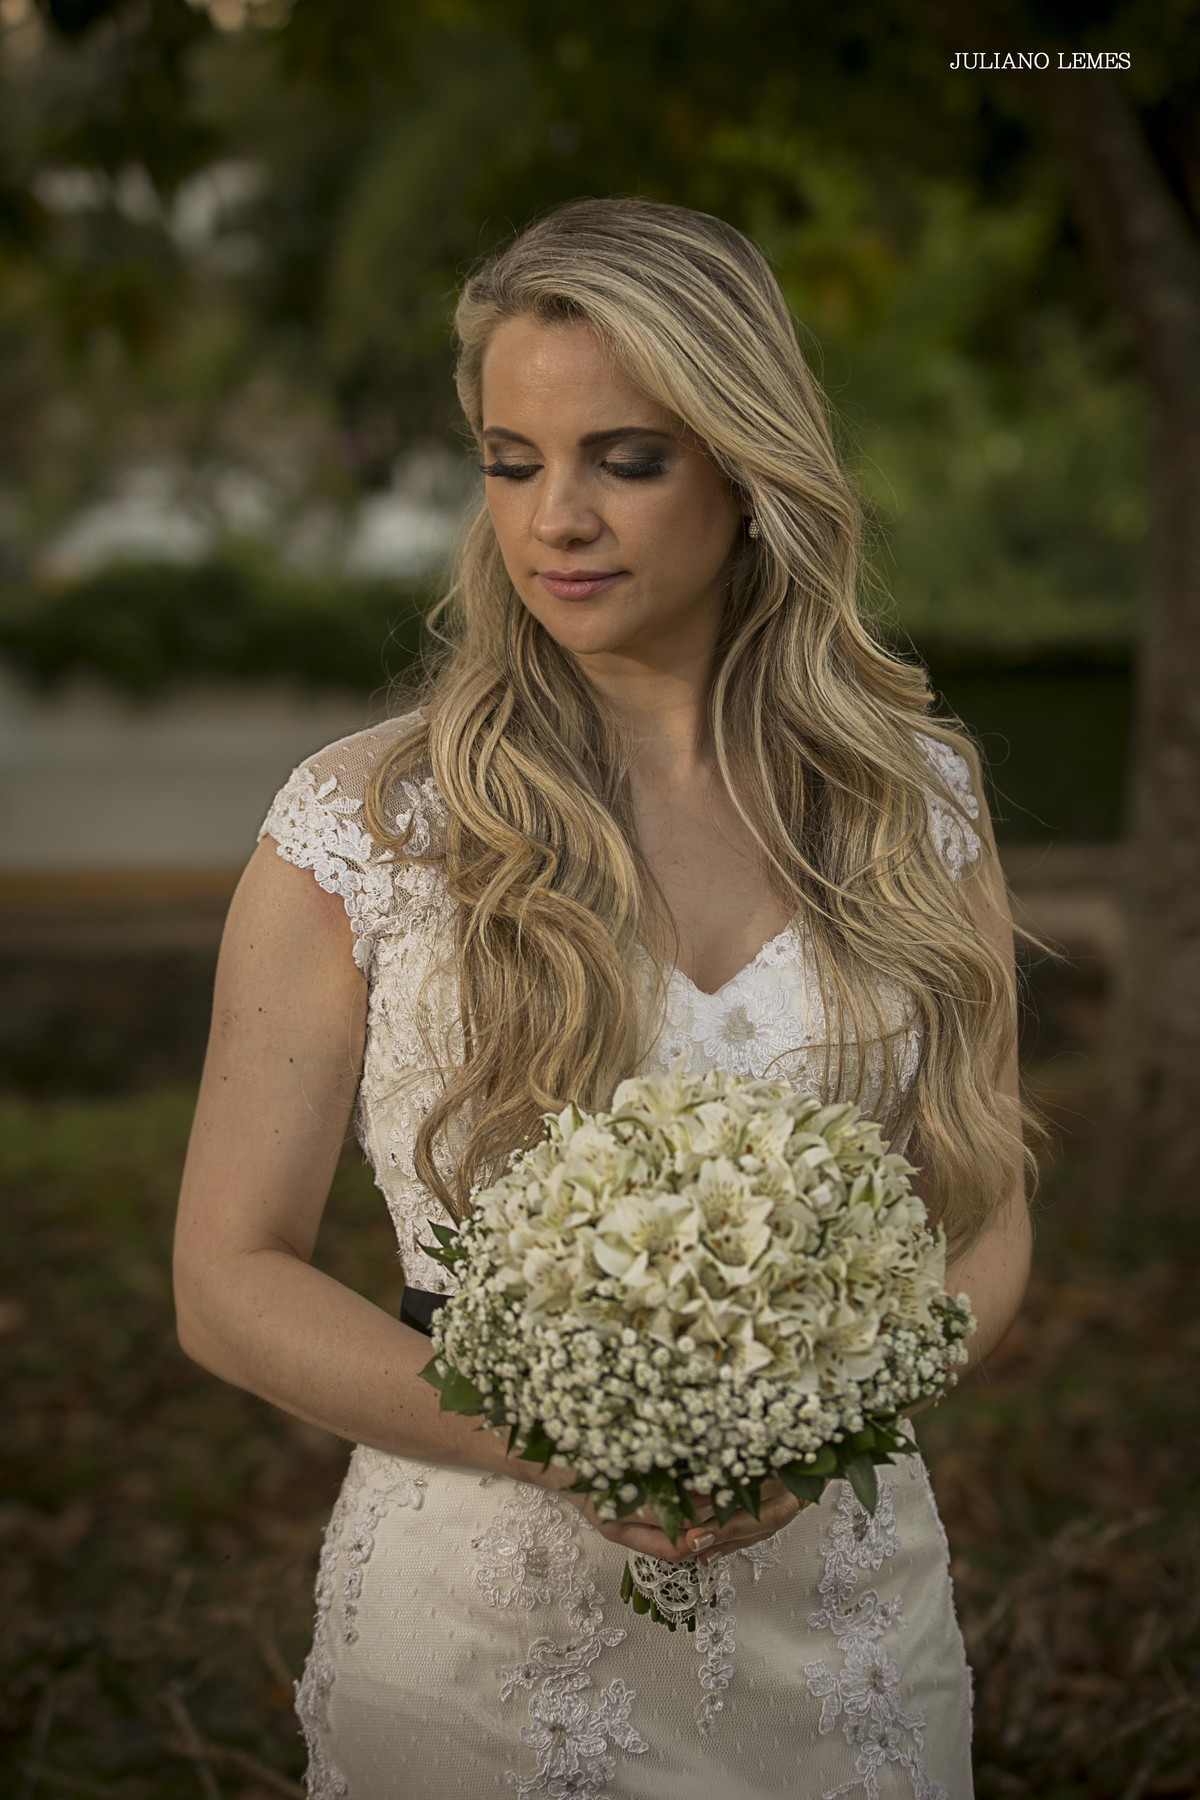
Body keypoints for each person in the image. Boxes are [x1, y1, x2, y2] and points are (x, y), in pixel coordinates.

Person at [174, 195, 1049, 1799]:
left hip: (850, 1624)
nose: (555, 516)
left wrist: (822, 1415)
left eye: (624, 459)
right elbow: (226, 1278)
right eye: (514, 462)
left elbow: (987, 1220)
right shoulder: (366, 826)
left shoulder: (915, 799)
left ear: (746, 464)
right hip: (481, 1651)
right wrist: (573, 1436)